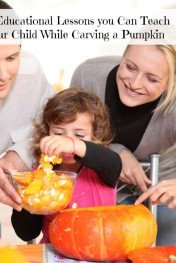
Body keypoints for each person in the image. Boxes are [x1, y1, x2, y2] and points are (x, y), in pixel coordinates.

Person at [70, 45, 176, 245]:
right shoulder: (88, 75)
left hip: (165, 180)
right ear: (123, 56)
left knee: (167, 254)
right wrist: (115, 152)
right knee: (109, 244)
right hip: (106, 180)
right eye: (130, 67)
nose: (135, 83)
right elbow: (71, 136)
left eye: (152, 79)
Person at [0, 0, 54, 237]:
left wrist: (18, 155)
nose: (2, 75)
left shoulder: (29, 73)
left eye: (11, 58)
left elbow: (50, 123)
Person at [11, 87, 122, 243]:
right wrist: (25, 199)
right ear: (47, 133)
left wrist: (74, 145)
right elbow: (27, 234)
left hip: (100, 251)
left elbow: (113, 162)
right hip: (54, 253)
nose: (65, 141)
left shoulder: (103, 169)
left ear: (94, 136)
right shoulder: (40, 174)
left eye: (79, 135)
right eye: (58, 133)